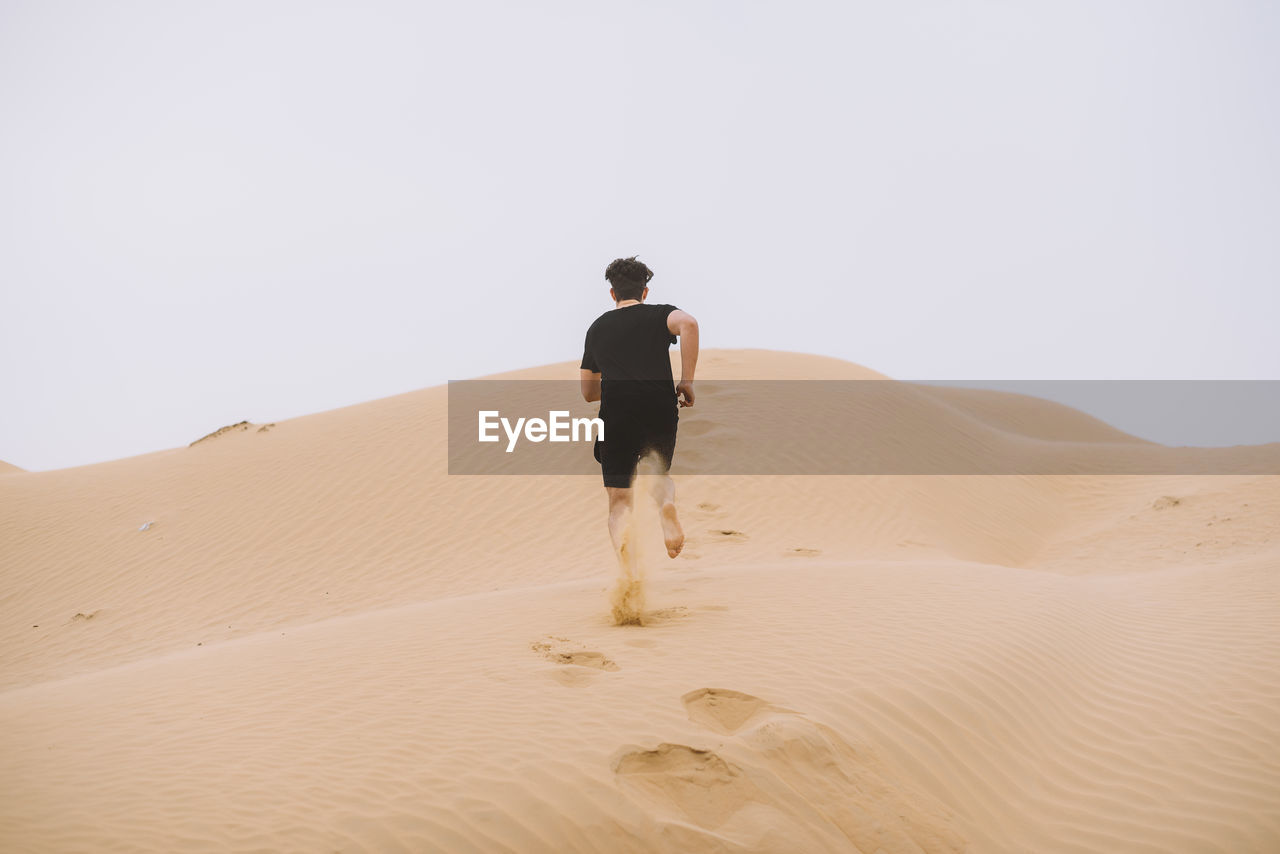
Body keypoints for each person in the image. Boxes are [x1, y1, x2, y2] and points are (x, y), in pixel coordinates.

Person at [580, 256, 699, 560]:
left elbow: (589, 392)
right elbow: (688, 324)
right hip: (658, 406)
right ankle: (666, 509)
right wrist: (687, 381)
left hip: (617, 414)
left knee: (619, 501)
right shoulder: (659, 315)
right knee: (659, 476)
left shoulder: (597, 329)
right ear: (644, 291)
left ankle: (627, 561)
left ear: (612, 293)